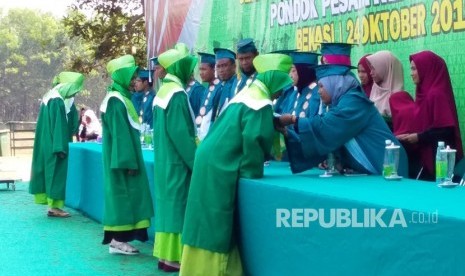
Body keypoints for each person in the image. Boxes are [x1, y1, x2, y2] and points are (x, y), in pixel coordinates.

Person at [180, 53, 293, 276]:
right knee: (216, 222)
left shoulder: (249, 94)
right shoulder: (261, 103)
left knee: (205, 219)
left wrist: (274, 122)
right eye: (282, 84)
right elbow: (253, 141)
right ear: (274, 80)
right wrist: (251, 175)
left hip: (209, 159)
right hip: (221, 166)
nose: (282, 91)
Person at [276, 64, 408, 176]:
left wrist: (293, 119)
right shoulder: (339, 103)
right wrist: (288, 133)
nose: (318, 91)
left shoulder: (354, 101)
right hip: (371, 171)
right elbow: (331, 139)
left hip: (389, 167)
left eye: (322, 86)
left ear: (335, 84)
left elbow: (326, 127)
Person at [99, 55, 154, 255]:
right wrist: (128, 162)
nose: (134, 81)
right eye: (131, 77)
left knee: (127, 197)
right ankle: (117, 240)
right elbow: (120, 134)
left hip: (124, 158)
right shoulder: (115, 101)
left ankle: (120, 239)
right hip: (121, 162)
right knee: (122, 197)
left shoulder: (121, 98)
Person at [152, 44, 198, 272]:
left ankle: (164, 254)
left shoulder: (163, 91)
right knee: (178, 208)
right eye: (188, 67)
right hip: (178, 162)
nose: (192, 72)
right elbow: (181, 135)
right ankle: (173, 257)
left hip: (164, 161)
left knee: (168, 207)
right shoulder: (177, 94)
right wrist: (196, 161)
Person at [390, 50, 463, 181]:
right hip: (429, 158)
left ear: (426, 69)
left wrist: (418, 137)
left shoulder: (436, 94)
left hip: (440, 162)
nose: (411, 73)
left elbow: (446, 130)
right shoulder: (423, 93)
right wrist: (407, 135)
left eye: (414, 69)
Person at [29, 71, 85, 218]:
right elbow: (59, 125)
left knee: (49, 172)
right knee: (56, 173)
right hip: (56, 144)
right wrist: (60, 147)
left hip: (47, 142)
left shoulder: (51, 97)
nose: (74, 94)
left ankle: (52, 205)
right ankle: (54, 207)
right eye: (73, 90)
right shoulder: (57, 101)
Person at [366, 50, 404, 128]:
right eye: (371, 68)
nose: (371, 73)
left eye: (374, 68)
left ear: (385, 68)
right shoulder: (375, 90)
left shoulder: (398, 98)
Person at [196, 52, 221, 140]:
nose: (201, 73)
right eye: (200, 69)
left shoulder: (220, 89)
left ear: (214, 70)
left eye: (204, 69)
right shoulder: (206, 89)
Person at [211, 47, 238, 118]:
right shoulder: (219, 87)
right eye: (218, 66)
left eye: (224, 65)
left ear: (234, 66)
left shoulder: (237, 85)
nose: (221, 70)